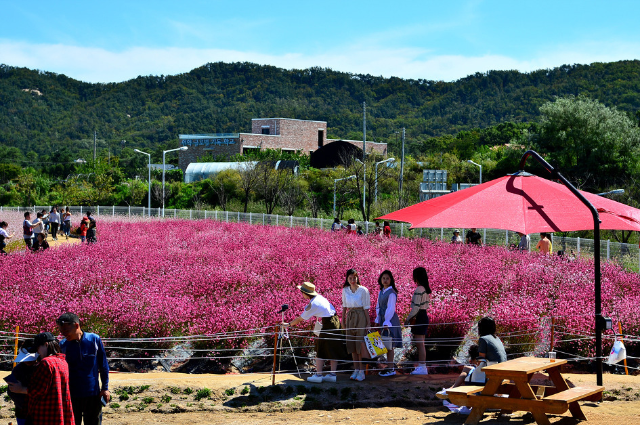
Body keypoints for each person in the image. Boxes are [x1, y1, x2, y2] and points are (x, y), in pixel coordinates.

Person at [284, 282, 347, 383]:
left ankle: (318, 375)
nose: (301, 294)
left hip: (329, 324)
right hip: (335, 321)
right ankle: (332, 375)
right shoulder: (319, 297)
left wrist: (288, 324)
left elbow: (300, 318)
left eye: (301, 292)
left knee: (320, 349)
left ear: (305, 293)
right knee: (333, 348)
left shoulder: (313, 304)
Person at [8, 332, 75, 425]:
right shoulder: (62, 361)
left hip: (44, 414)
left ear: (46, 344)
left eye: (38, 348)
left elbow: (38, 390)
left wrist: (21, 389)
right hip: (58, 413)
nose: (38, 352)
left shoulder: (46, 362)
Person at [57, 312, 110, 425]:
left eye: (66, 330)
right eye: (61, 331)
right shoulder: (62, 345)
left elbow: (103, 365)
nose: (63, 334)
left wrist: (105, 388)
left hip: (93, 394)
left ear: (76, 325)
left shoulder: (94, 340)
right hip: (71, 395)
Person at [341, 269, 370, 382]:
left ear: (357, 278)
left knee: (360, 344)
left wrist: (368, 323)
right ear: (347, 279)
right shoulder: (345, 290)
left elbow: (366, 308)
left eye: (354, 277)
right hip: (350, 316)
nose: (352, 280)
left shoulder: (363, 290)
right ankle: (356, 369)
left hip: (361, 315)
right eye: (350, 278)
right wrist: (343, 321)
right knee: (351, 343)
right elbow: (344, 306)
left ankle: (362, 371)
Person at [404, 267, 431, 375]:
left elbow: (415, 308)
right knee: (421, 344)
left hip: (419, 317)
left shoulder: (419, 289)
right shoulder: (425, 289)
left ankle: (422, 367)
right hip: (423, 315)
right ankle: (422, 367)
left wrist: (407, 319)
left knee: (420, 344)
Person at [375, 270, 402, 376]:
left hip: (389, 320)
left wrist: (386, 321)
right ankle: (389, 367)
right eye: (383, 278)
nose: (385, 280)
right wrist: (378, 319)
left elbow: (390, 308)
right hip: (383, 320)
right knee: (385, 344)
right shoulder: (381, 292)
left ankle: (391, 368)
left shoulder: (391, 293)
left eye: (387, 278)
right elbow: (378, 306)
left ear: (391, 280)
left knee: (390, 344)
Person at [6, 339, 39, 425]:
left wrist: (23, 390)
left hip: (39, 411)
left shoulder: (42, 367)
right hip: (22, 411)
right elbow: (11, 391)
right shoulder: (17, 370)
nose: (28, 361)